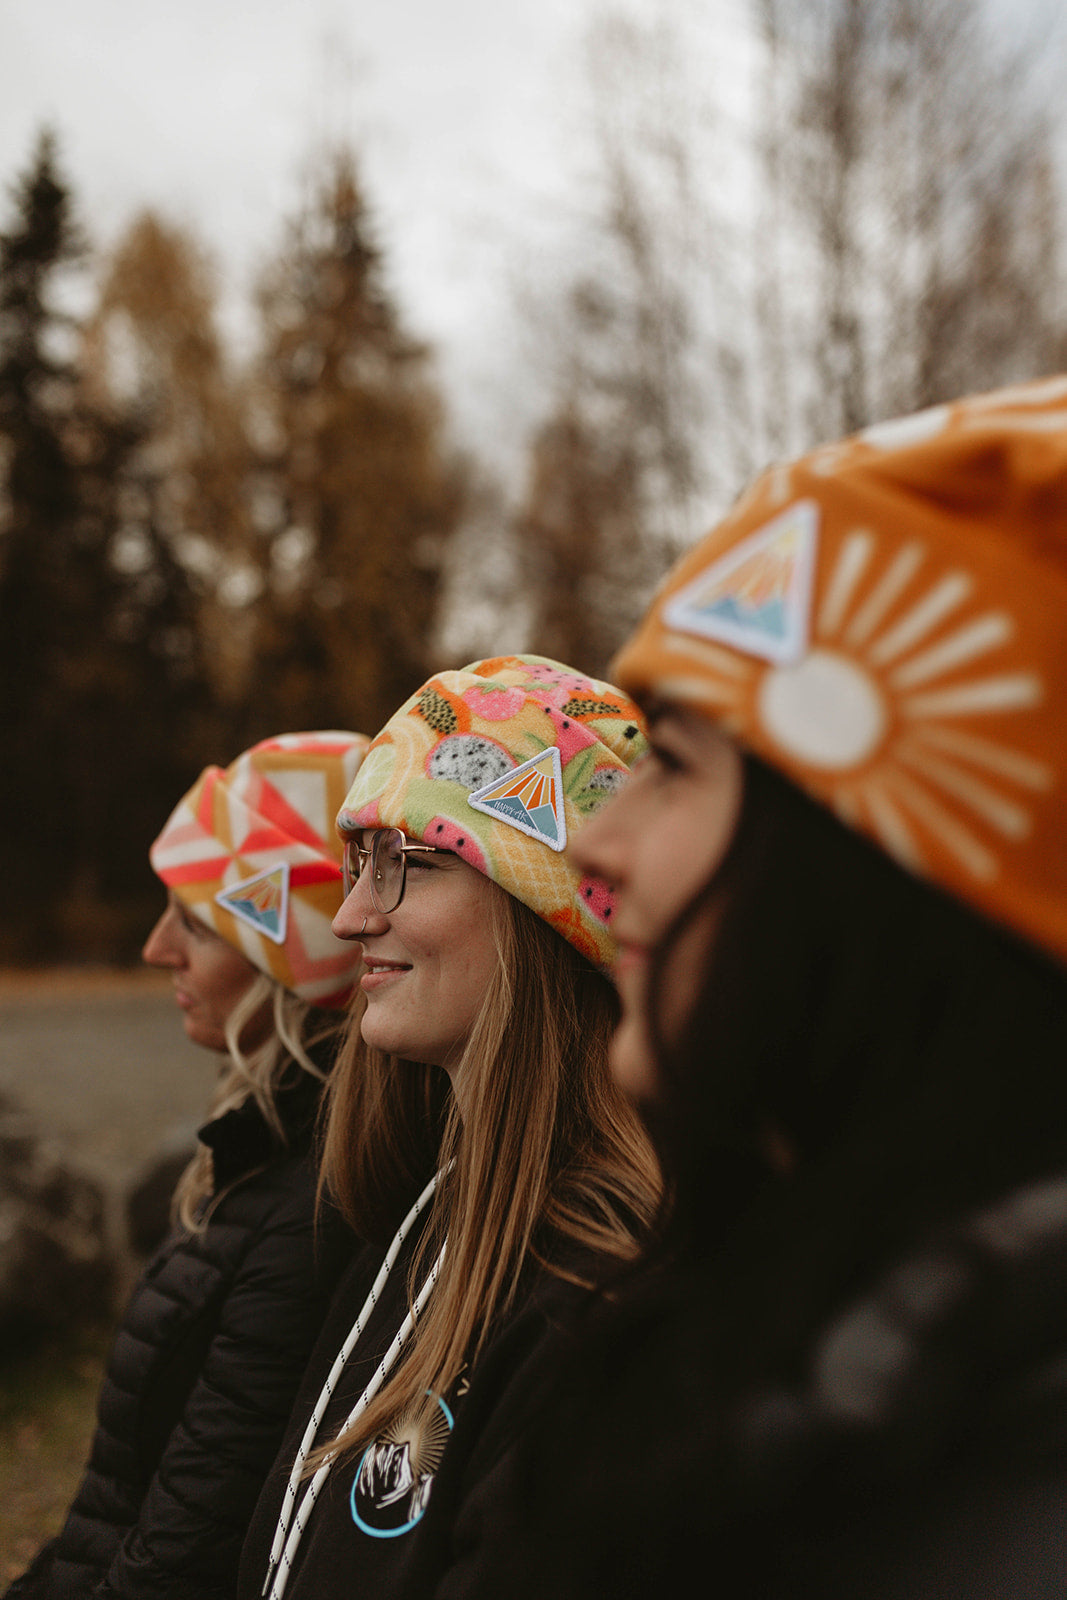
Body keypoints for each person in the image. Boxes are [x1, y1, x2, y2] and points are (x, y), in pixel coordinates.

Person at [442, 377, 1067, 1596]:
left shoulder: (982, 1502)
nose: (588, 849)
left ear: (881, 866)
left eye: (669, 765)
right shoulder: (812, 1339)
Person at [237, 655, 662, 1600]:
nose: (348, 918)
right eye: (359, 864)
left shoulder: (597, 1296)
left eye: (405, 866)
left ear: (544, 909)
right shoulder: (428, 1210)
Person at [6, 730, 370, 1600]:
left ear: (299, 968)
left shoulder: (304, 1213)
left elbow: (179, 1554)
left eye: (198, 925)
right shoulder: (258, 1156)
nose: (154, 947)